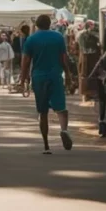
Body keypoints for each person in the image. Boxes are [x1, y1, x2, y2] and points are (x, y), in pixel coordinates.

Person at [21, 13, 74, 154]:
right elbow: (64, 59)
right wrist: (68, 74)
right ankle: (64, 130)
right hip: (55, 76)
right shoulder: (58, 37)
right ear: (50, 24)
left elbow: (25, 62)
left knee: (42, 112)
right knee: (61, 108)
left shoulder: (31, 40)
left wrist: (23, 80)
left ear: (37, 25)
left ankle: (46, 145)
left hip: (38, 78)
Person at [89, 39, 106, 137]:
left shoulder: (103, 58)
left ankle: (103, 130)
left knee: (103, 108)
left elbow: (94, 72)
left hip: (102, 86)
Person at [77, 20, 101, 101]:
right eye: (91, 26)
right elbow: (83, 48)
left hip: (89, 58)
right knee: (86, 74)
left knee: (89, 74)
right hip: (87, 58)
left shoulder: (87, 35)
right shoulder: (83, 35)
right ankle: (86, 94)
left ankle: (88, 94)